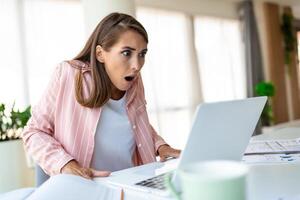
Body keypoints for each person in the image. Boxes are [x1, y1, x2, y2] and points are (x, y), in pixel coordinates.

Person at [22, 12, 180, 180]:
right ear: (100, 54)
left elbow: (135, 123)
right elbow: (34, 132)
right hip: (86, 188)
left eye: (142, 54)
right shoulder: (69, 75)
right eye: (127, 53)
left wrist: (160, 146)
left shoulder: (134, 83)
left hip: (132, 184)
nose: (137, 65)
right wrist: (67, 165)